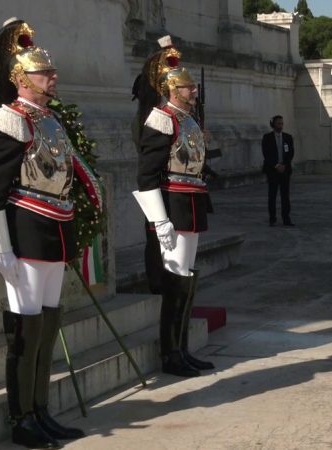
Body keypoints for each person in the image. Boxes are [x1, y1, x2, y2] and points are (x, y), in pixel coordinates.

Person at [0, 19, 89, 449]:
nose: (53, 78)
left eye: (51, 73)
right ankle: (22, 418)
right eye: (44, 74)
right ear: (20, 79)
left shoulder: (49, 119)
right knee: (26, 326)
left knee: (48, 323)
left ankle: (41, 410)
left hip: (54, 227)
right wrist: (1, 248)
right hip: (27, 229)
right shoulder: (9, 119)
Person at [133, 36, 215, 378]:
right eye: (187, 87)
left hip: (191, 202)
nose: (193, 91)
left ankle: (182, 348)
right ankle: (171, 353)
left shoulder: (189, 120)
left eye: (193, 86)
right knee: (175, 279)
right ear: (171, 89)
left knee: (186, 278)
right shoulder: (161, 119)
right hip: (172, 205)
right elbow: (146, 174)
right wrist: (159, 220)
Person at [261, 115, 295, 226]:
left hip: (285, 170)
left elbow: (290, 153)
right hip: (272, 171)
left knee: (285, 196)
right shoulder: (267, 137)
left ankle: (286, 218)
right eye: (278, 123)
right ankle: (272, 218)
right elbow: (266, 154)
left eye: (282, 123)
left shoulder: (288, 137)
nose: (280, 126)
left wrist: (284, 165)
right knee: (272, 195)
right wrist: (276, 165)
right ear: (273, 124)